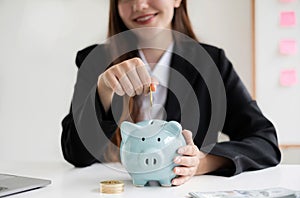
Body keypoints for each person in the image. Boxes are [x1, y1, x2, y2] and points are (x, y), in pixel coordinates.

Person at [61, 0, 281, 186]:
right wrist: (104, 92)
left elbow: (265, 141)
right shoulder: (96, 60)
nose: (139, 5)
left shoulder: (211, 64)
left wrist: (202, 162)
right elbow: (76, 155)